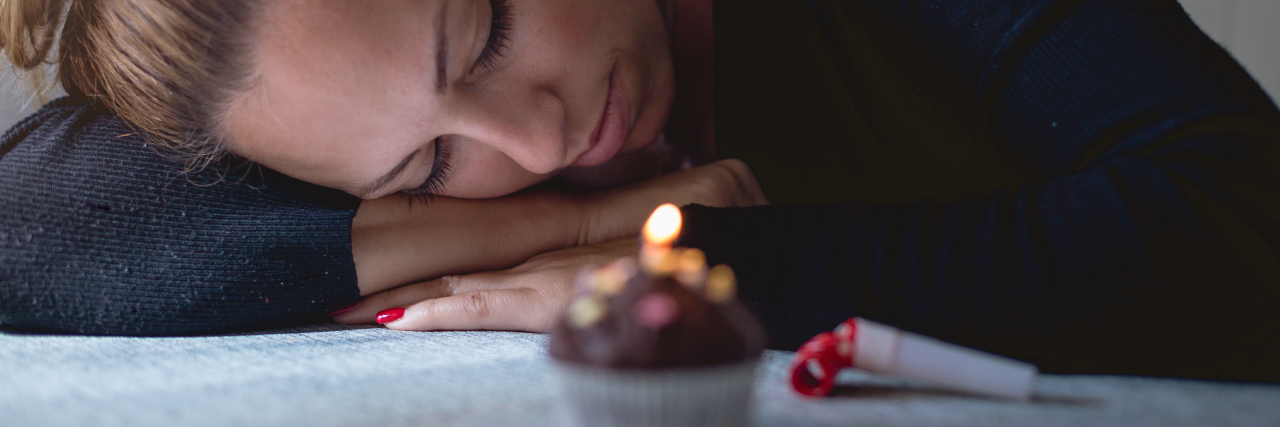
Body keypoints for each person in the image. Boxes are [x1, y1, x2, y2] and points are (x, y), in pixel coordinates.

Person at [3, 0, 1279, 382]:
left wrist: (718, 263)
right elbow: (35, 232)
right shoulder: (548, 179)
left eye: (490, 30)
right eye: (428, 164)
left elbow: (1239, 222)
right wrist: (566, 225)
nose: (535, 131)